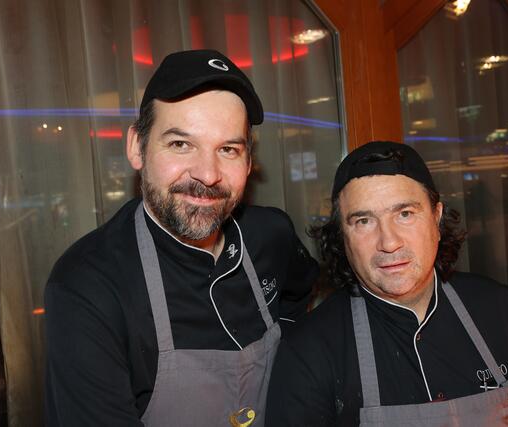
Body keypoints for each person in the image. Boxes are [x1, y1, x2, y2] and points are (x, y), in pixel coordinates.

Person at [44, 49, 318, 427]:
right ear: (137, 147)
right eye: (180, 144)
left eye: (228, 149)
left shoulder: (270, 234)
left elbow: (300, 296)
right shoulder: (87, 286)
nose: (207, 174)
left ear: (249, 162)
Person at [266, 141, 508, 426]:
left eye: (404, 214)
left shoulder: (498, 306)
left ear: (436, 218)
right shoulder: (308, 350)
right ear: (342, 237)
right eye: (364, 221)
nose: (389, 242)